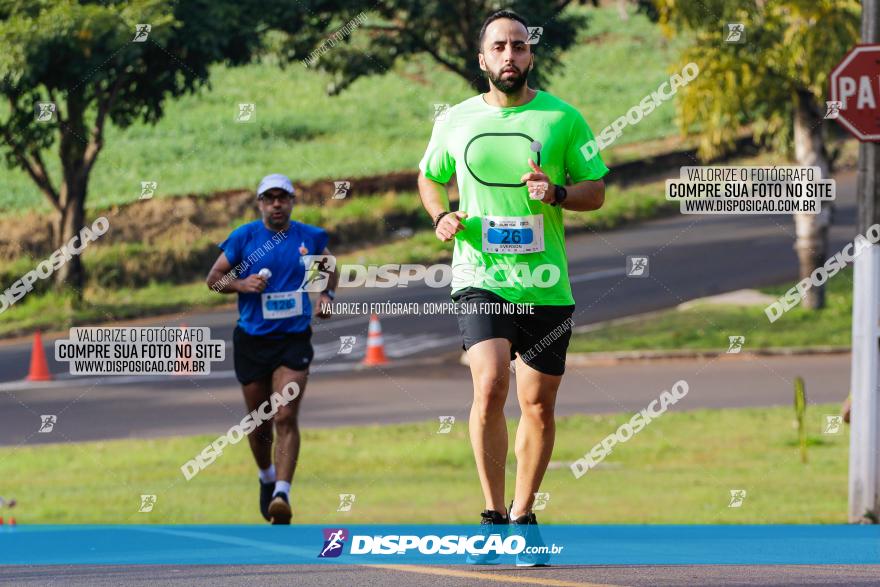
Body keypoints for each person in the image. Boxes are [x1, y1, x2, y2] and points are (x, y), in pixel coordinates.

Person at [417, 10, 608, 565]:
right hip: (481, 276)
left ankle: (524, 517)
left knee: (538, 406)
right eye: (499, 47)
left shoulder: (563, 118)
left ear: (530, 55)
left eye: (519, 47)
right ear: (482, 60)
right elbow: (431, 176)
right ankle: (491, 516)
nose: (510, 56)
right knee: (492, 382)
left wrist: (557, 193)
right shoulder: (455, 121)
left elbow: (595, 190)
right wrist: (440, 216)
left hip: (545, 283)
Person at [206, 173, 338, 524]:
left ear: (293, 201)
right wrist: (241, 283)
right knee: (259, 424)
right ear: (260, 203)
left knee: (284, 415)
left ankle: (282, 492)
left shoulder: (307, 237)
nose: (277, 204)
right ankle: (266, 477)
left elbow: (327, 268)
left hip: (294, 338)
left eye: (283, 198)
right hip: (252, 339)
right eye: (270, 198)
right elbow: (213, 279)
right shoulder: (244, 237)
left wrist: (325, 295)